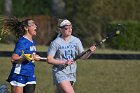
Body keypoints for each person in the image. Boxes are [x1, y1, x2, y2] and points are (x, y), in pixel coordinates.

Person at [47, 19, 96, 93]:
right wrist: (65, 62)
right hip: (60, 72)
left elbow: (82, 56)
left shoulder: (76, 40)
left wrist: (89, 52)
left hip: (71, 73)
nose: (70, 29)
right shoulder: (55, 43)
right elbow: (49, 59)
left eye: (71, 27)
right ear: (61, 29)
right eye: (67, 28)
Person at [1, 16, 41, 93]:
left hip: (30, 74)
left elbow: (31, 57)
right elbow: (14, 58)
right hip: (19, 74)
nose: (35, 26)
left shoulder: (32, 41)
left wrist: (35, 57)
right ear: (26, 28)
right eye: (32, 25)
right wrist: (29, 57)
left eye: (35, 24)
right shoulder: (22, 42)